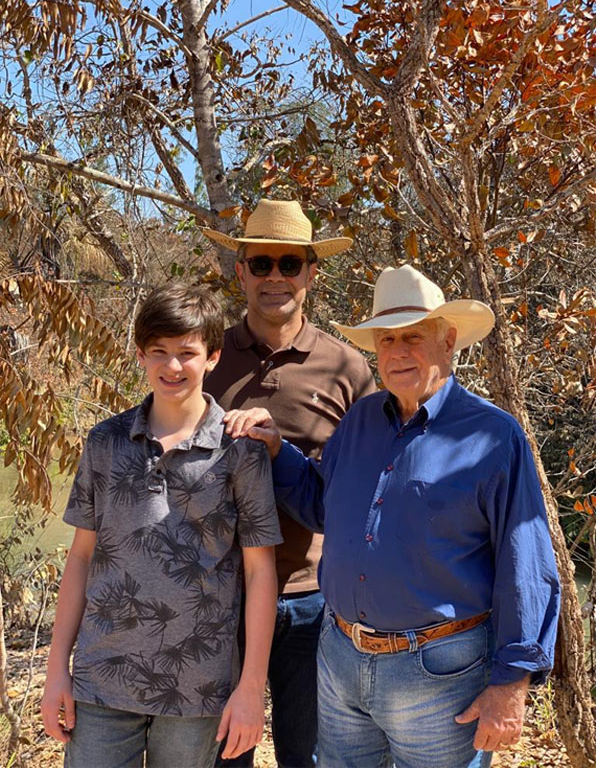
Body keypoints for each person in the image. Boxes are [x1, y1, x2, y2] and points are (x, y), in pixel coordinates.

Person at [243, 264, 561, 768]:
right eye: (386, 339)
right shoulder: (361, 420)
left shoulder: (494, 438)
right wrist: (279, 451)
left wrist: (511, 684)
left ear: (448, 339)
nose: (397, 352)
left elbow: (527, 569)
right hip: (341, 659)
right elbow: (324, 505)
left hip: (440, 673)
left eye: (413, 336)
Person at [41, 283, 282, 768]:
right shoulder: (105, 442)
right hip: (100, 683)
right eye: (160, 352)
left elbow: (260, 574)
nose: (173, 366)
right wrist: (55, 671)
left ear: (212, 356)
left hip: (198, 688)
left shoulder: (241, 450)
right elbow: (81, 558)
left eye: (187, 353)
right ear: (140, 355)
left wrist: (251, 687)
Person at [202, 199, 376, 767]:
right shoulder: (204, 356)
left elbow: (373, 486)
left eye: (289, 264)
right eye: (261, 264)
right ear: (240, 272)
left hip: (313, 600)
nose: (275, 277)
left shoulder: (348, 368)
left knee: (309, 756)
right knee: (223, 755)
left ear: (310, 273)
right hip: (219, 596)